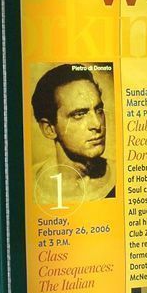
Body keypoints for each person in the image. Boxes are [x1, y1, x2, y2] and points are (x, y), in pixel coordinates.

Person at [31, 64, 115, 205]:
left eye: (99, 110)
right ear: (49, 129)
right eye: (79, 115)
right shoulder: (30, 185)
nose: (97, 124)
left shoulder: (122, 176)